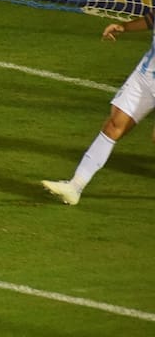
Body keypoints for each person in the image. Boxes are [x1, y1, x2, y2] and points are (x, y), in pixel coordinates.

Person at [42, 13, 155, 205]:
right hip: (146, 75)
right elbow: (152, 19)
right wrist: (124, 27)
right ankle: (75, 186)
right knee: (113, 124)